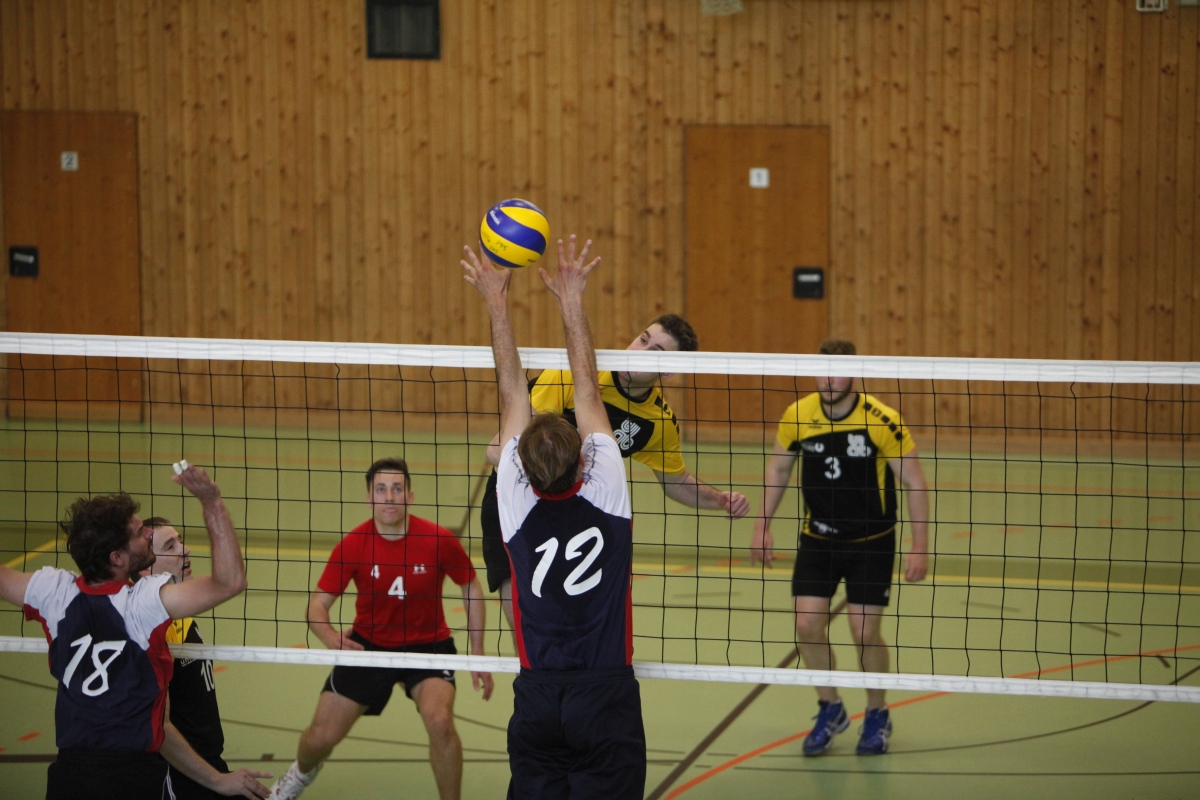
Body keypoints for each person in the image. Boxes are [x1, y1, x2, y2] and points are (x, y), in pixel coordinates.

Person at [464, 235, 646, 799]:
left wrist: (496, 302)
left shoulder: (513, 502)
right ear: (582, 460)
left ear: (520, 465)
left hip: (538, 694)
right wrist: (571, 299)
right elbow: (588, 390)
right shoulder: (606, 492)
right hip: (605, 693)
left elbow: (512, 392)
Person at [0, 463, 270, 799]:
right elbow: (230, 582)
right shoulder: (141, 604)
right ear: (117, 558)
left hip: (68, 776)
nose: (147, 535)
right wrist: (211, 502)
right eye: (140, 533)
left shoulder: (52, 592)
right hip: (131, 777)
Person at [479, 313, 750, 629]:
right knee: (525, 623)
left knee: (575, 623)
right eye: (643, 339)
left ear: (669, 370)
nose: (640, 351)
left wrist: (719, 499)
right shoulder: (571, 375)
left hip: (575, 517)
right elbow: (497, 450)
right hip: (517, 504)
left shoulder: (656, 423)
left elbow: (677, 482)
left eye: (655, 352)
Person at [268, 457, 494, 800]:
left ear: (410, 496)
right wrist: (331, 638)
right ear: (369, 498)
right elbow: (316, 606)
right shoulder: (353, 544)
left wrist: (477, 653)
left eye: (397, 489)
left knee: (440, 722)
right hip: (368, 646)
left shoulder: (438, 539)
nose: (389, 497)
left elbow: (471, 587)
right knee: (319, 739)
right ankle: (299, 775)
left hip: (428, 646)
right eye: (381, 489)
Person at [750, 337, 930, 757]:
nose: (829, 380)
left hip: (872, 542)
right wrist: (762, 525)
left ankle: (877, 712)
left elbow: (915, 481)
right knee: (807, 626)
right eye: (823, 371)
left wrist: (919, 546)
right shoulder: (798, 415)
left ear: (855, 373)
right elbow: (779, 469)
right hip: (818, 539)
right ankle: (830, 707)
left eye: (839, 372)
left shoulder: (882, 419)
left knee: (864, 632)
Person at [135, 516, 235, 799]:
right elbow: (160, 726)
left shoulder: (179, 615)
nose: (185, 549)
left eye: (180, 540)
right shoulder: (151, 628)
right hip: (180, 775)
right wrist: (217, 780)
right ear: (145, 568)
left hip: (207, 764)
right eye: (170, 546)